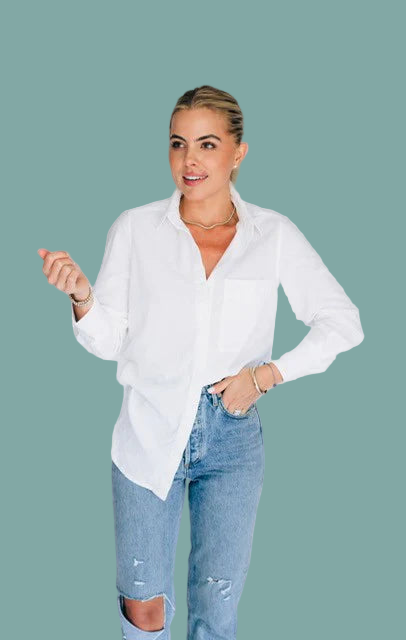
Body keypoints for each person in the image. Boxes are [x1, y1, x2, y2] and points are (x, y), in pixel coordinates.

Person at [38, 85, 364, 639]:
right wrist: (83, 297)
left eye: (207, 144)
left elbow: (343, 322)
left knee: (216, 604)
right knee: (143, 604)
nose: (189, 160)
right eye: (178, 143)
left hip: (232, 436)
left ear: (238, 153)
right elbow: (109, 341)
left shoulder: (273, 234)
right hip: (147, 430)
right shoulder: (135, 228)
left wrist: (266, 375)